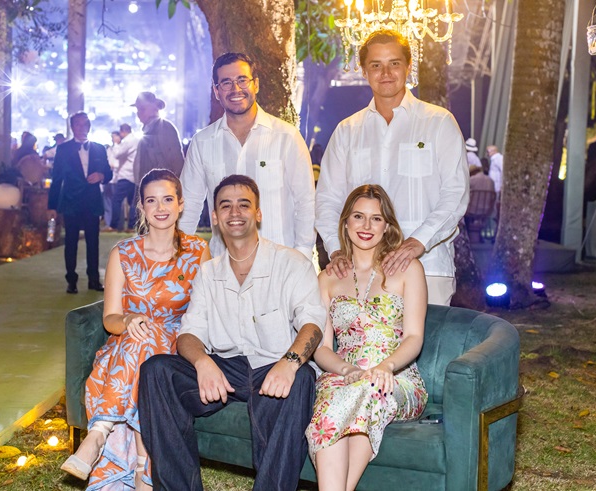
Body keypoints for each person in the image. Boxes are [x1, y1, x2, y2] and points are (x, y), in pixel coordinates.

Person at [138, 175, 326, 491]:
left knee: (302, 378)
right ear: (215, 217)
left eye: (244, 205)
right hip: (227, 370)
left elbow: (312, 324)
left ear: (258, 213)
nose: (234, 212)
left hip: (273, 366)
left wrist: (290, 362)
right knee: (156, 370)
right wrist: (202, 363)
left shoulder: (291, 263)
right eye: (225, 206)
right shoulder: (208, 272)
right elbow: (189, 333)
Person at [61, 169, 210, 490]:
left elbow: (207, 311)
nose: (160, 207)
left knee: (150, 345)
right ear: (141, 206)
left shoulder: (198, 251)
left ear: (181, 204)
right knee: (143, 340)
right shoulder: (124, 253)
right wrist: (128, 321)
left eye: (168, 199)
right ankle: (143, 467)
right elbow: (110, 318)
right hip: (127, 345)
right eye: (151, 201)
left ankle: (99, 433)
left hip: (179, 346)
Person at [315, 29, 469, 306]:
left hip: (428, 265)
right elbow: (327, 199)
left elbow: (455, 193)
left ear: (408, 67)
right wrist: (336, 250)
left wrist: (417, 242)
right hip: (359, 271)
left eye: (394, 63)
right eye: (376, 65)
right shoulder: (347, 131)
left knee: (428, 336)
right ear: (364, 71)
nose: (385, 73)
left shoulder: (438, 122)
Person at [307, 184, 428, 490]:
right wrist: (347, 369)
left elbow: (414, 337)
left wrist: (386, 366)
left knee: (369, 389)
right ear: (346, 223)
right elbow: (322, 348)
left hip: (395, 378)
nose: (366, 226)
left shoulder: (409, 269)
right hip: (343, 374)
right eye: (358, 216)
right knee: (339, 395)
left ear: (387, 226)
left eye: (376, 219)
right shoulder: (327, 278)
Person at [179, 52, 316, 259]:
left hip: (279, 264)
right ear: (216, 91)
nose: (236, 89)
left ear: (256, 84)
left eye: (242, 80)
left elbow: (306, 202)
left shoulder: (286, 137)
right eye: (226, 83)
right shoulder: (202, 142)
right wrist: (179, 258)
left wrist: (302, 255)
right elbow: (188, 206)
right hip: (224, 265)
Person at [47, 112, 113, 294]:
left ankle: (94, 279)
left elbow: (108, 173)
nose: (82, 127)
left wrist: (101, 175)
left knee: (93, 242)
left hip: (92, 201)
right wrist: (51, 206)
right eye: (78, 124)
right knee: (71, 242)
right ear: (72, 127)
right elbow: (56, 179)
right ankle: (71, 280)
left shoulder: (99, 148)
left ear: (89, 126)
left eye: (85, 124)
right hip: (71, 202)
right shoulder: (63, 149)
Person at [131, 91, 184, 183]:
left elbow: (176, 162)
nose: (139, 113)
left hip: (160, 186)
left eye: (142, 109)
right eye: (138, 109)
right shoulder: (149, 130)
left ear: (154, 108)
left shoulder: (164, 128)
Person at [106, 123, 139, 232]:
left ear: (122, 131)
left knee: (116, 200)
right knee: (132, 202)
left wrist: (116, 144)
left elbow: (117, 154)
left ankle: (114, 225)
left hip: (125, 175)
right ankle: (131, 225)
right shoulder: (137, 140)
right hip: (134, 174)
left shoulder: (128, 141)